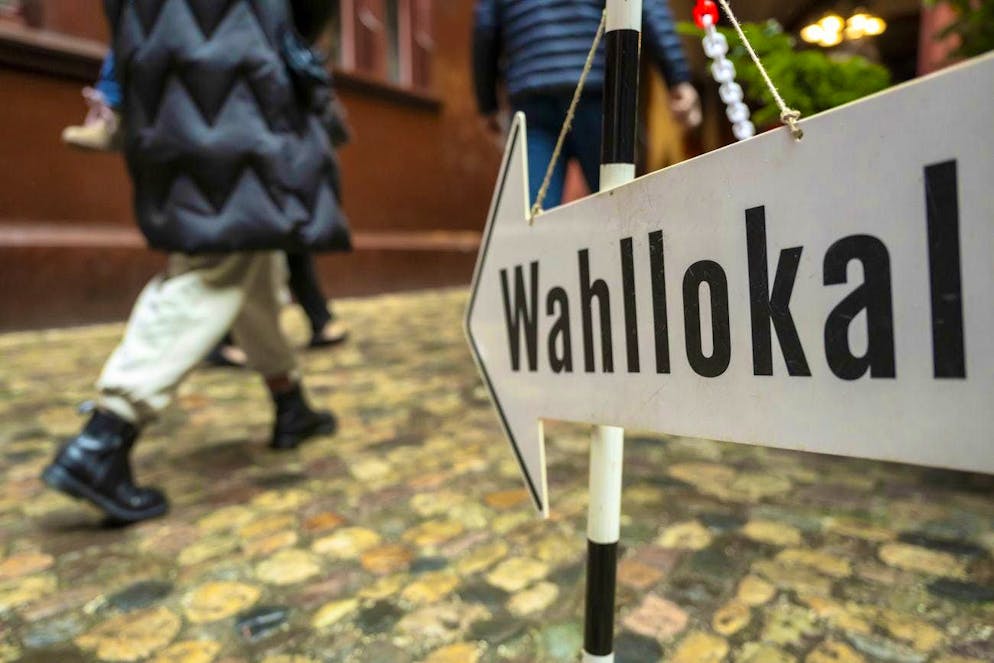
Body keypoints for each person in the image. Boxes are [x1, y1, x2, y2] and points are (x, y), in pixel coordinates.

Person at [42, 0, 350, 525]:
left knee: (244, 250)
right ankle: (103, 440)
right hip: (239, 88)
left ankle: (289, 401)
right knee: (215, 264)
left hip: (164, 92)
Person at [473, 0, 702, 208]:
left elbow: (485, 28)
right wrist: (677, 78)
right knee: (622, 206)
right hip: (600, 96)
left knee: (533, 212)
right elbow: (645, 7)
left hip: (532, 99)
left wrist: (488, 104)